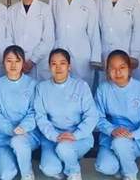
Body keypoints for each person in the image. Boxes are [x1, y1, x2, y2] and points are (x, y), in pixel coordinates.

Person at [95, 49, 140, 180]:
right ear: (107, 70)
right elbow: (97, 117)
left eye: (122, 67)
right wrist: (112, 130)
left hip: (136, 139)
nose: (118, 72)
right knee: (105, 167)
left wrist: (133, 134)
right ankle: (124, 160)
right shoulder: (103, 89)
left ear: (130, 69)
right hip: (111, 136)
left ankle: (130, 174)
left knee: (121, 143)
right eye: (113, 68)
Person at [34, 48, 98, 180]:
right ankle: (67, 161)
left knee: (64, 148)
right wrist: (55, 136)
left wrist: (75, 135)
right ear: (49, 67)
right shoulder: (42, 88)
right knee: (49, 169)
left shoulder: (81, 86)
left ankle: (74, 172)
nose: (58, 67)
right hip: (52, 138)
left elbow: (91, 115)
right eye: (54, 64)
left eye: (62, 63)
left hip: (79, 137)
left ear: (69, 66)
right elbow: (40, 117)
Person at [0, 45, 41, 180]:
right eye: (9, 61)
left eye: (17, 61)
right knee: (6, 175)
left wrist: (23, 127)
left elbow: (34, 111)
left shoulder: (32, 84)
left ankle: (27, 173)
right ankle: (17, 157)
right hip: (3, 136)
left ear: (23, 63)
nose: (13, 65)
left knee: (18, 142)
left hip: (27, 134)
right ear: (3, 63)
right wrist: (11, 130)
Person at [49, 0, 102, 88]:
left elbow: (94, 31)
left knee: (82, 87)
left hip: (81, 54)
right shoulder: (54, 1)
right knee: (59, 85)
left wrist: (95, 57)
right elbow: (50, 30)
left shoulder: (88, 2)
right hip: (59, 50)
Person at [96, 0, 140, 76]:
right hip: (105, 54)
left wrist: (134, 55)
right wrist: (96, 55)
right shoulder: (99, 2)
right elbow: (95, 31)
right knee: (106, 83)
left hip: (127, 54)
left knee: (124, 81)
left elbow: (139, 30)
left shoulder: (134, 2)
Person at [7, 0, 55, 80]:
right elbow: (8, 38)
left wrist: (33, 60)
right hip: (17, 62)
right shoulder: (11, 11)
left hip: (39, 64)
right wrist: (17, 59)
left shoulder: (45, 9)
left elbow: (48, 39)